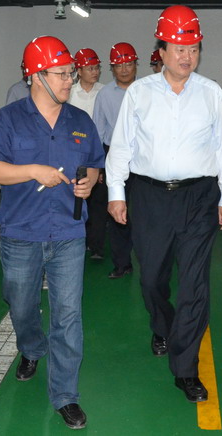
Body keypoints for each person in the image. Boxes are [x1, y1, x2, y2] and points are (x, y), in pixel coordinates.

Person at [106, 5, 222, 403]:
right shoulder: (140, 93)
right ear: (161, 51)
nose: (187, 56)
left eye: (193, 49)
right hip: (149, 197)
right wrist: (116, 192)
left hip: (199, 197)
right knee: (151, 279)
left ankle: (185, 368)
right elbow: (122, 145)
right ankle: (162, 325)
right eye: (179, 48)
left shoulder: (211, 93)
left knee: (195, 285)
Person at [0, 36, 105, 430]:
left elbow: (94, 164)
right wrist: (33, 170)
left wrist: (90, 183)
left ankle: (65, 395)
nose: (70, 80)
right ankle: (32, 347)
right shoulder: (7, 120)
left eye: (71, 73)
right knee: (21, 303)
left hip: (69, 231)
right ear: (37, 77)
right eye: (62, 74)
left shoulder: (80, 121)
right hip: (22, 232)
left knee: (68, 314)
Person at [92, 42, 138, 278]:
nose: (124, 69)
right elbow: (98, 131)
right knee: (118, 210)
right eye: (119, 65)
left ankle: (151, 262)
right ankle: (122, 263)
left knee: (144, 212)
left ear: (135, 65)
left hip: (143, 157)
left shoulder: (146, 90)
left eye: (128, 64)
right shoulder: (105, 95)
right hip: (114, 155)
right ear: (112, 68)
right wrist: (100, 167)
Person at [69, 48, 106, 261]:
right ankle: (78, 242)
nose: (95, 72)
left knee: (98, 203)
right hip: (74, 152)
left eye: (97, 67)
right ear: (79, 70)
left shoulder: (104, 92)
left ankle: (97, 246)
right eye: (90, 68)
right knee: (76, 197)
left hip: (98, 151)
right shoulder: (69, 93)